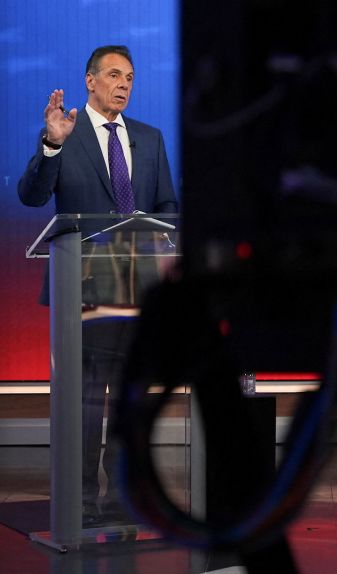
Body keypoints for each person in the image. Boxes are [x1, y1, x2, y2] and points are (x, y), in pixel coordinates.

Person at [18, 45, 178, 524]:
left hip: (139, 291)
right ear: (90, 81)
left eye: (130, 77)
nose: (124, 84)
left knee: (132, 399)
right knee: (87, 405)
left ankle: (124, 499)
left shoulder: (149, 139)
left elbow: (168, 207)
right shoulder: (66, 132)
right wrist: (51, 144)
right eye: (113, 75)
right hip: (83, 291)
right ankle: (83, 501)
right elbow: (31, 197)